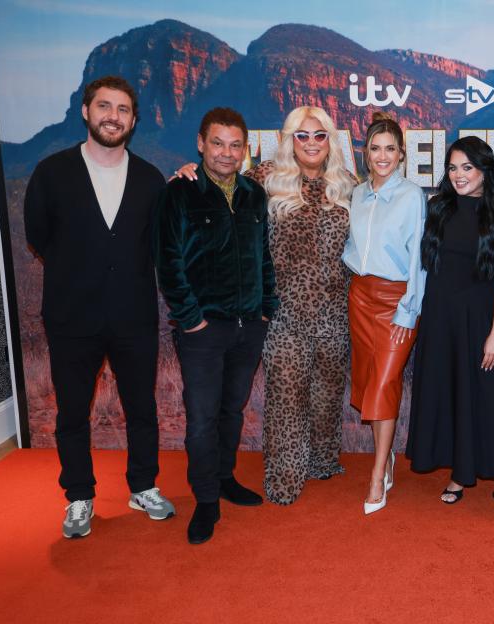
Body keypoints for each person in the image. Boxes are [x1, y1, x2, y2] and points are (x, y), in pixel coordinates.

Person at [174, 106, 355, 507]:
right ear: (289, 139)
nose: (311, 143)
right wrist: (188, 173)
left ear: (331, 140)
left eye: (319, 135)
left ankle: (323, 462)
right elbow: (217, 182)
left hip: (334, 314)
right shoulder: (264, 179)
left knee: (327, 396)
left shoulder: (347, 185)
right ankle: (285, 480)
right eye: (302, 135)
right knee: (287, 399)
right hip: (282, 314)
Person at [24, 75, 174, 539]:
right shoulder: (52, 173)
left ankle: (143, 486)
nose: (114, 116)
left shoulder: (150, 179)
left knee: (141, 408)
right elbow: (38, 237)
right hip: (72, 317)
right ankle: (79, 496)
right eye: (105, 106)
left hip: (134, 316)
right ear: (86, 112)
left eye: (123, 109)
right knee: (72, 411)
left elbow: (156, 245)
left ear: (133, 119)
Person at [155, 107, 278, 544]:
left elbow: (263, 256)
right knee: (202, 419)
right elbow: (168, 264)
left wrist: (266, 308)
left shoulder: (253, 195)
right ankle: (206, 499)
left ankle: (224, 478)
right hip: (203, 332)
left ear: (245, 149)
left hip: (249, 327)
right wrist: (192, 321)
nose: (227, 153)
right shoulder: (179, 193)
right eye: (218, 143)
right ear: (201, 144)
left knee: (232, 410)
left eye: (235, 144)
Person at [406, 136, 494, 530]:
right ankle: (461, 472)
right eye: (453, 168)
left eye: (467, 168)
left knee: (488, 402)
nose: (458, 176)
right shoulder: (437, 208)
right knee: (451, 395)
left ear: (485, 170)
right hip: (440, 320)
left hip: (480, 323)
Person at [342, 112, 426, 514]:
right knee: (369, 382)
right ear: (365, 153)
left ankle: (377, 475)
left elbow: (418, 263)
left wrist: (408, 312)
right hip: (360, 295)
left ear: (401, 154)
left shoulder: (412, 196)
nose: (382, 155)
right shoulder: (358, 194)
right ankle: (386, 457)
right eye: (375, 148)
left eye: (390, 148)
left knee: (384, 384)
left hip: (397, 301)